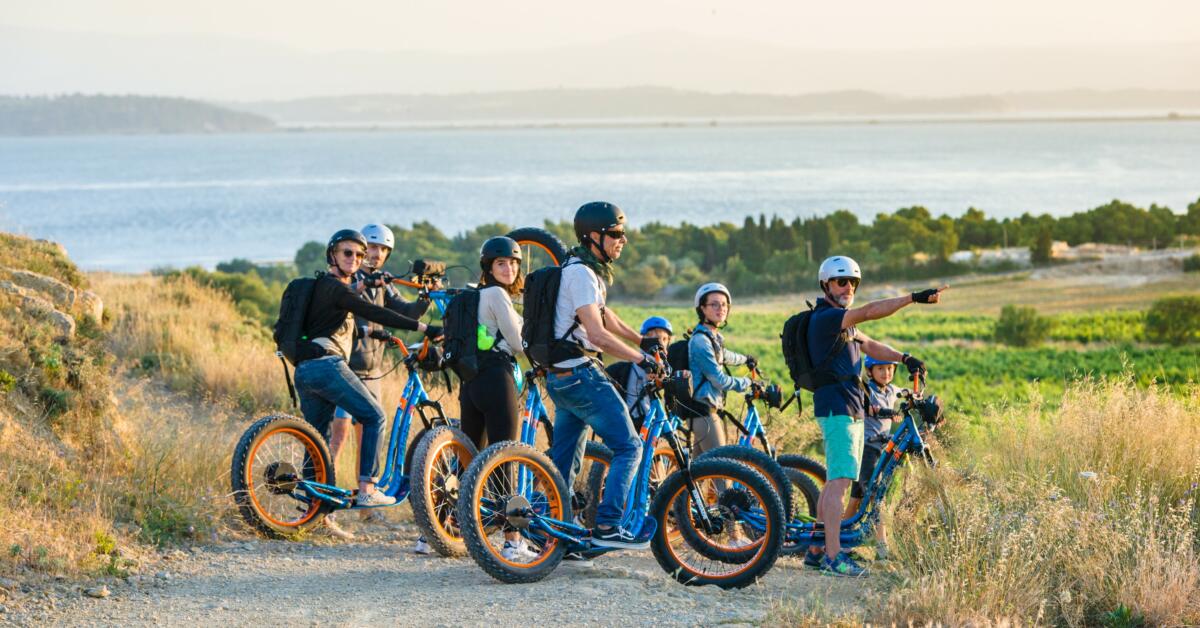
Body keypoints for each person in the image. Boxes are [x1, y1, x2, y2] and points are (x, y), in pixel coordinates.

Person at [802, 255, 946, 577]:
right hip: (838, 407)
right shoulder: (827, 318)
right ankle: (834, 556)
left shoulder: (844, 324)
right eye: (842, 281)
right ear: (826, 284)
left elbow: (870, 345)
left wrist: (904, 357)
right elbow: (869, 313)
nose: (848, 287)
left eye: (853, 282)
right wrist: (912, 298)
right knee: (840, 483)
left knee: (834, 482)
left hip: (848, 407)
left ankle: (816, 549)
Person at [292, 229, 442, 525]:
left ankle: (314, 511)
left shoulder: (323, 284)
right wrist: (425, 329)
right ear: (333, 254)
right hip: (331, 366)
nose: (359, 258)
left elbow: (394, 309)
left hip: (305, 368)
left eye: (360, 254)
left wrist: (422, 300)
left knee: (318, 440)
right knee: (374, 419)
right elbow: (376, 312)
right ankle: (368, 489)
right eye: (351, 253)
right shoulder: (339, 288)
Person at [546, 201, 664, 550]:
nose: (622, 240)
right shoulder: (581, 273)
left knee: (563, 464)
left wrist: (641, 338)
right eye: (615, 234)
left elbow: (604, 314)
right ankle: (610, 525)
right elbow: (596, 333)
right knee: (630, 446)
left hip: (561, 378)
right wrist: (642, 358)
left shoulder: (581, 268)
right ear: (593, 236)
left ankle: (558, 537)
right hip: (582, 376)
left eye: (623, 234)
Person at [327, 223, 432, 538]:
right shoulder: (352, 279)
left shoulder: (384, 285)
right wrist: (373, 330)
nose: (376, 254)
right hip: (350, 366)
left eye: (382, 250)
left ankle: (367, 507)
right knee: (338, 437)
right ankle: (324, 510)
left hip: (374, 370)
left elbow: (405, 310)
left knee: (369, 438)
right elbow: (347, 317)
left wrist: (424, 299)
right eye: (371, 248)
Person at [450, 235, 543, 561]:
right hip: (498, 379)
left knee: (469, 458)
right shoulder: (496, 295)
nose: (509, 268)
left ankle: (446, 529)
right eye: (501, 263)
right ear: (489, 267)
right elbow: (519, 344)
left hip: (471, 382)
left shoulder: (473, 296)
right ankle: (513, 539)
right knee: (505, 457)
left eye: (514, 263)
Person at [688, 282, 759, 457]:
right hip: (703, 412)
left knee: (699, 478)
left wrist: (746, 359)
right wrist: (747, 382)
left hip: (708, 411)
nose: (721, 308)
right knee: (723, 473)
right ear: (702, 309)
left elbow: (724, 355)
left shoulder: (713, 338)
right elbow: (718, 380)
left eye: (724, 304)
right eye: (714, 304)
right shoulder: (701, 342)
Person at [843, 355, 901, 560]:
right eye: (881, 369)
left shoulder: (892, 390)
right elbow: (865, 408)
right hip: (866, 448)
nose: (886, 373)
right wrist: (886, 412)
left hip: (882, 449)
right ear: (870, 372)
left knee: (867, 498)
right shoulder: (865, 390)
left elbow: (909, 394)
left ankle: (859, 546)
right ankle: (874, 547)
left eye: (890, 369)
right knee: (867, 496)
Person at [605, 316, 674, 431]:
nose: (658, 343)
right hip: (625, 421)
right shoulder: (621, 369)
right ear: (643, 340)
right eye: (653, 338)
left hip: (651, 422)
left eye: (664, 339)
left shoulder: (668, 368)